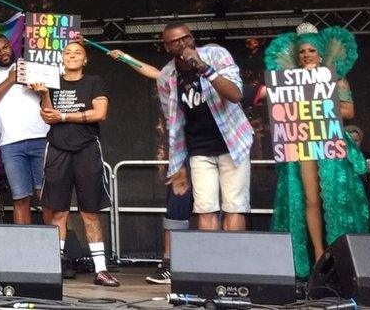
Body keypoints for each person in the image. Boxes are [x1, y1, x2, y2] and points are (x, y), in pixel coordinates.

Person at [266, 23, 369, 279]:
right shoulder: (289, 82)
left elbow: (348, 111)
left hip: (330, 140)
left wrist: (317, 93)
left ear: (321, 54)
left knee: (332, 198)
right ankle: (319, 254)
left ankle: (340, 256)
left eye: (312, 50)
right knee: (309, 199)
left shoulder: (335, 77)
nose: (306, 55)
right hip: (303, 142)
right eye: (302, 52)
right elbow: (281, 111)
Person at [37, 42, 119, 287]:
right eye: (68, 52)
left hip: (86, 149)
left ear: (85, 60)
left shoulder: (94, 81)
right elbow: (46, 115)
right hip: (58, 149)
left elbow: (100, 113)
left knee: (89, 213)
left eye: (78, 53)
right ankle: (56, 265)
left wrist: (64, 116)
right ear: (62, 58)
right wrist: (43, 94)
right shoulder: (51, 82)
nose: (72, 56)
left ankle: (101, 270)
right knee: (58, 211)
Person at [158, 23, 252, 233]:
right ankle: (210, 265)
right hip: (198, 149)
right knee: (205, 209)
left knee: (234, 207)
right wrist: (178, 165)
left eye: (187, 38)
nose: (183, 43)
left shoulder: (216, 55)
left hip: (232, 143)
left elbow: (236, 95)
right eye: (176, 41)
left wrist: (204, 68)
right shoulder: (166, 76)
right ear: (167, 47)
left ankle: (234, 263)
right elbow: (173, 123)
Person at [107, 46, 190, 285]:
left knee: (212, 208)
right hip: (182, 151)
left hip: (209, 149)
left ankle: (215, 265)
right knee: (176, 207)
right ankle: (169, 264)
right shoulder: (172, 78)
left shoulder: (211, 79)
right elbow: (153, 72)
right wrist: (125, 57)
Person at [0, 33, 50, 225]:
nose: (3, 53)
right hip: (10, 144)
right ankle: (24, 250)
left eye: (5, 47)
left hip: (41, 137)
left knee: (47, 196)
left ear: (12, 45)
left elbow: (53, 84)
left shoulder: (31, 65)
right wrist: (10, 80)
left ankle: (56, 248)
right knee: (20, 198)